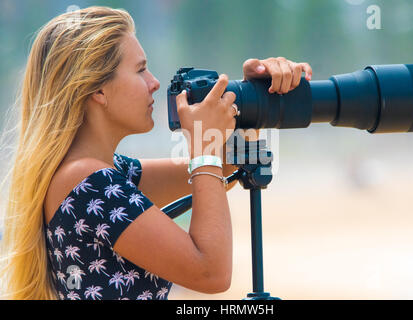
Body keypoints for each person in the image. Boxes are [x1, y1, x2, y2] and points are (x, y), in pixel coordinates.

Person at [0, 6, 312, 300]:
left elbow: (224, 173)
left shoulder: (106, 174)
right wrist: (203, 143)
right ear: (97, 89)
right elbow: (211, 272)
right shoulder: (88, 182)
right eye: (140, 70)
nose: (154, 82)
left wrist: (253, 97)